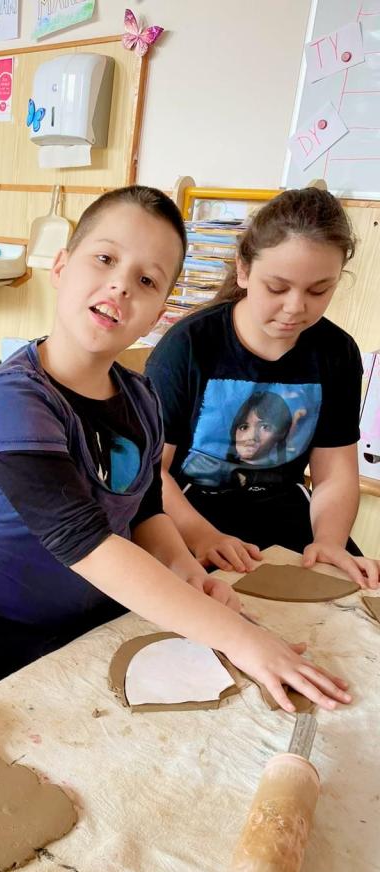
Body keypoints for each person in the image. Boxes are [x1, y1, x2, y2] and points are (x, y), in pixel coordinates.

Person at [0, 186, 351, 714]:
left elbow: (146, 510)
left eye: (147, 280)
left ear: (158, 313)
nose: (121, 285)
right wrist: (242, 639)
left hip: (94, 613)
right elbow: (86, 542)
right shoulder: (13, 399)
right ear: (61, 266)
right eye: (105, 259)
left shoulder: (139, 396)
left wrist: (184, 569)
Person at [146, 187, 379, 588]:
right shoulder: (188, 346)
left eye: (318, 290)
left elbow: (335, 474)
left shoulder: (336, 352)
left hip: (283, 511)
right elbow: (152, 475)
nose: (295, 307)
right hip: (186, 513)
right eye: (277, 288)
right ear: (243, 270)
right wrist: (201, 536)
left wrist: (329, 541)